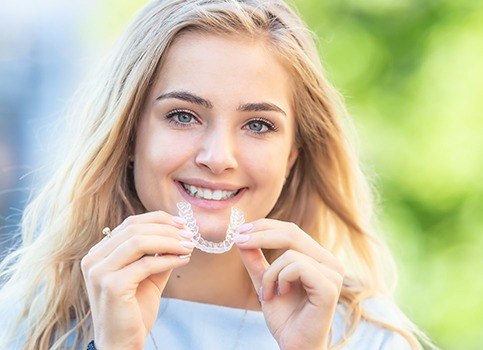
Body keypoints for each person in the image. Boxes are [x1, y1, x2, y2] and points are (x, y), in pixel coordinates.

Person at [0, 0, 435, 349]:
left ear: (292, 156)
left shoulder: (372, 338)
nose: (218, 157)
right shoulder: (27, 324)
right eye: (184, 115)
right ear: (129, 135)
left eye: (258, 125)